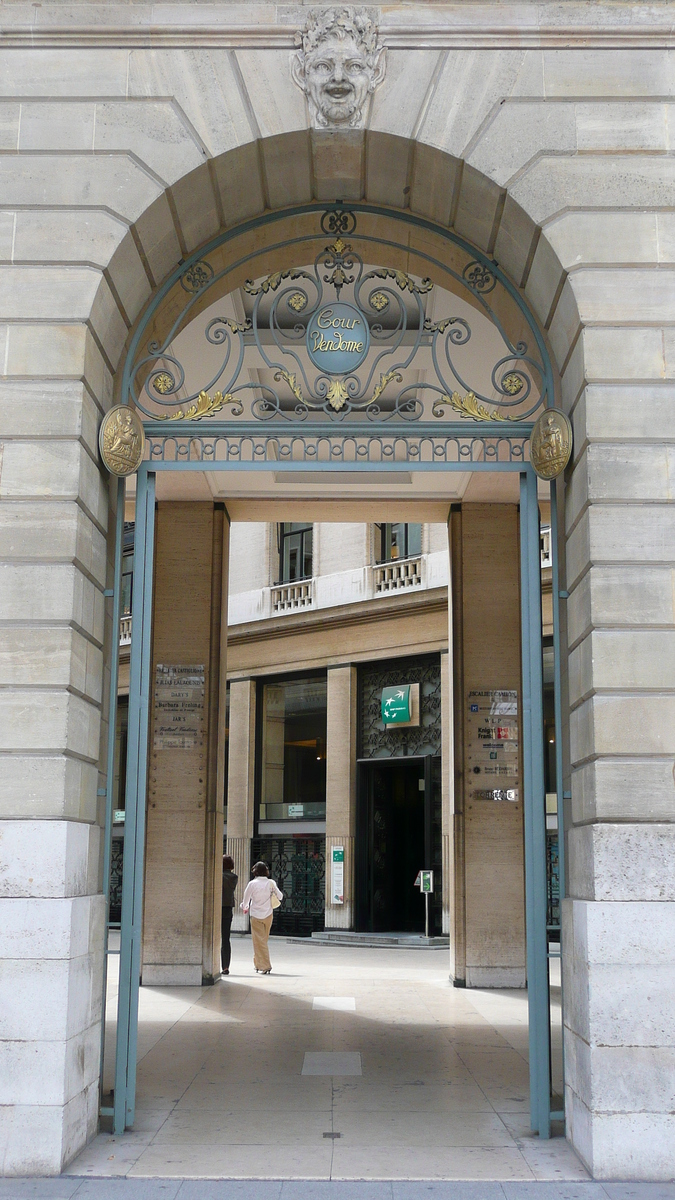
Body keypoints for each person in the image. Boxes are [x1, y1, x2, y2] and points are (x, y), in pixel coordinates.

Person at [240, 861, 283, 974]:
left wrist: (244, 907)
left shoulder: (252, 884)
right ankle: (258, 963)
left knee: (259, 941)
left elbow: (246, 900)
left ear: (255, 871)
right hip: (268, 915)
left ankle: (265, 966)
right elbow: (281, 896)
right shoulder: (271, 883)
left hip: (255, 915)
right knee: (262, 940)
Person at [221, 854, 238, 976]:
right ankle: (226, 966)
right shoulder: (234, 877)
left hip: (217, 908)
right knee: (226, 938)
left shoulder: (218, 876)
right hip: (227, 908)